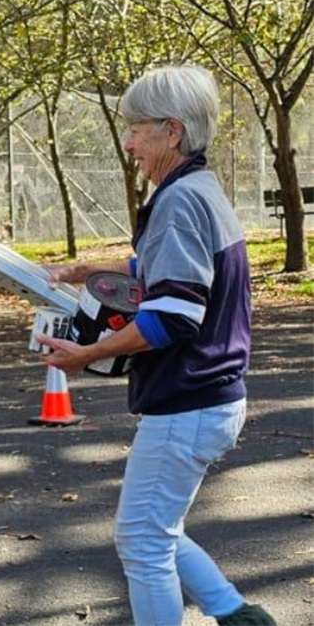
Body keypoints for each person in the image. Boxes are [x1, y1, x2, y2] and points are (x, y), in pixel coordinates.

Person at [36, 65, 276, 626]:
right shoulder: (201, 188)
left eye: (137, 129)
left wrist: (84, 355)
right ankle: (238, 615)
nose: (129, 144)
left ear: (172, 130)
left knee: (142, 542)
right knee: (156, 529)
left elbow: (173, 317)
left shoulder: (177, 201)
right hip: (210, 395)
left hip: (188, 398)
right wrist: (97, 267)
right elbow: (171, 266)